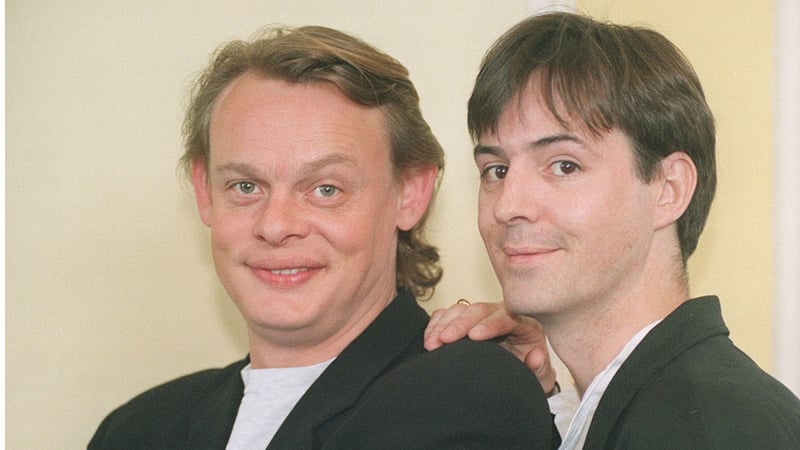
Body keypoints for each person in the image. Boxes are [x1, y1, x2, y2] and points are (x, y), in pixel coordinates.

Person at [88, 25, 558, 449]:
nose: (275, 225)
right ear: (203, 190)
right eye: (246, 186)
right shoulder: (137, 428)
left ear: (410, 193)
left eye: (325, 189)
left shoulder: (467, 393)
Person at [424, 11, 800, 449]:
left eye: (564, 166)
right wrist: (536, 400)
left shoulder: (713, 428)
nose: (508, 206)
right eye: (496, 169)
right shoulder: (650, 408)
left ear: (669, 189)